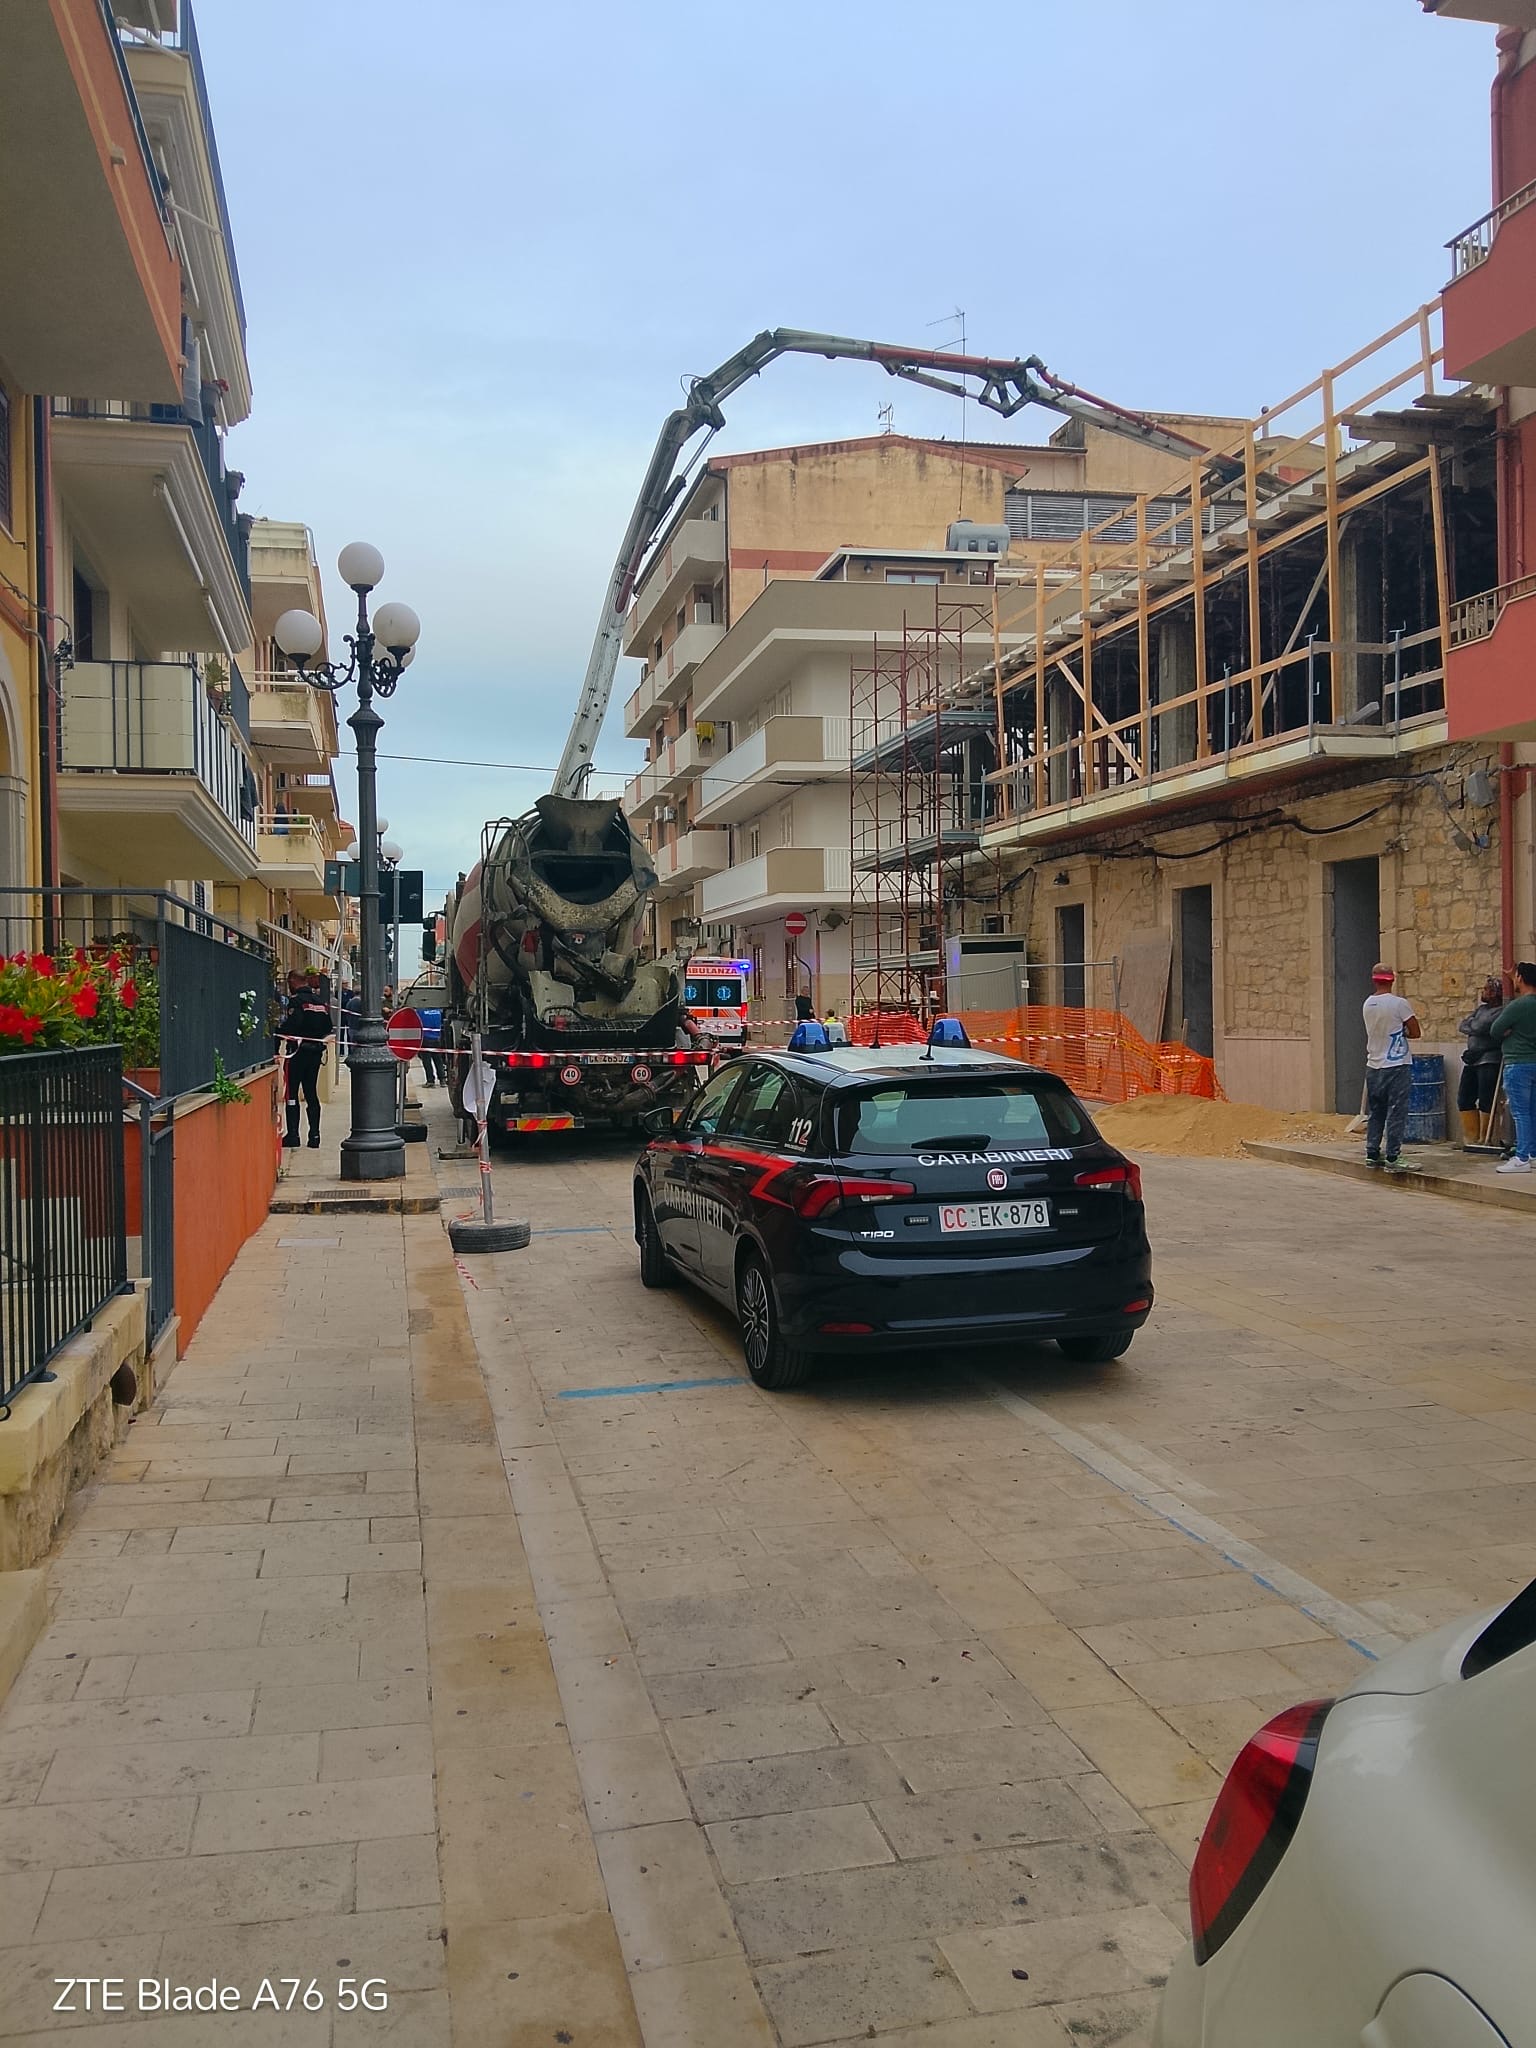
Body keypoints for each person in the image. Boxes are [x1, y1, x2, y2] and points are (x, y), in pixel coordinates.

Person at [1361, 962, 1420, 1170]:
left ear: (1374, 980)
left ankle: (1372, 1152)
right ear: (1392, 979)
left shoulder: (1368, 1004)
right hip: (1396, 1064)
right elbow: (1416, 1031)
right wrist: (1403, 1031)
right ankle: (1393, 1157)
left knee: (1376, 1111)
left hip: (1373, 1064)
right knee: (1397, 1111)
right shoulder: (1399, 1004)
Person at [1490, 962, 1536, 1175]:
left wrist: (1509, 1032)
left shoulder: (1518, 1006)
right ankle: (1533, 1153)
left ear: (1521, 978)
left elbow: (1495, 1029)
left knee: (1520, 1112)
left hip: (1518, 1062)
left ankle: (1522, 1157)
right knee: (1532, 1111)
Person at [280, 969, 332, 1150]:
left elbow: (294, 1024)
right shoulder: (320, 1002)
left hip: (297, 1053)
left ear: (294, 981)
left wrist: (278, 1034)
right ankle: (314, 1135)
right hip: (315, 1053)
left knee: (292, 1094)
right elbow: (328, 1026)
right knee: (311, 1093)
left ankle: (293, 1135)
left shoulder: (296, 1001)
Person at [1457, 976, 1505, 1148]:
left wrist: (1474, 1026)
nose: (1483, 992)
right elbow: (1463, 1025)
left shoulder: (1500, 1011)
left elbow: (1479, 1027)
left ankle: (1486, 1138)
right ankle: (1471, 1138)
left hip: (1489, 1060)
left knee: (1486, 1099)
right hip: (1472, 1059)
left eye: (1486, 989)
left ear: (1494, 992)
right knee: (1464, 1098)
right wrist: (1474, 1025)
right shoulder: (1481, 1009)